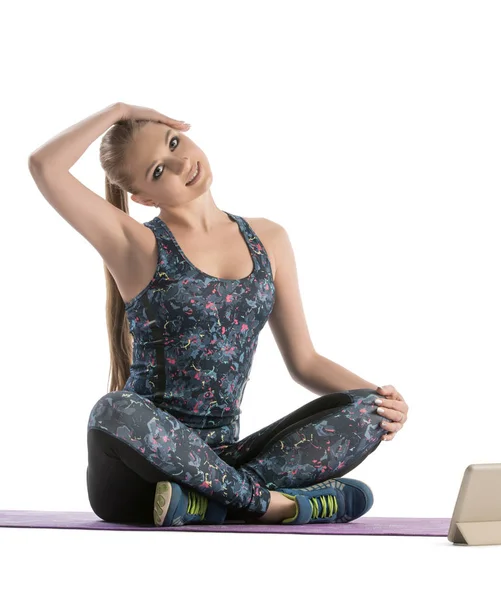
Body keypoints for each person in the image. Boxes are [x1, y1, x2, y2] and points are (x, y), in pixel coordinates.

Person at [28, 102, 408, 527]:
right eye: (157, 171)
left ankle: (210, 503)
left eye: (175, 143)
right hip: (139, 474)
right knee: (114, 409)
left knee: (368, 410)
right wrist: (118, 110)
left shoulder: (269, 238)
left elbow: (305, 362)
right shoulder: (135, 244)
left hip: (226, 457)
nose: (180, 164)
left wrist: (384, 400)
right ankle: (276, 505)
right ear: (143, 197)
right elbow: (45, 165)